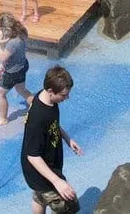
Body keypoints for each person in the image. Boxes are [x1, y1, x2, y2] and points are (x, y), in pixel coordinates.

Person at [21, 66, 83, 214]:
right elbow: (33, 156)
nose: (66, 98)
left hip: (43, 167)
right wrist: (57, 181)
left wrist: (67, 138)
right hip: (42, 170)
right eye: (63, 95)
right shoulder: (37, 119)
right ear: (50, 91)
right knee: (69, 205)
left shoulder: (46, 99)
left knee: (39, 197)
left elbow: (52, 123)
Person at [0, 12, 34, 127]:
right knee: (21, 89)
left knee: (0, 93)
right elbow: (11, 57)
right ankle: (36, 106)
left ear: (6, 29)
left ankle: (3, 119)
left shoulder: (12, 43)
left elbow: (2, 57)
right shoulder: (21, 32)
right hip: (22, 65)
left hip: (12, 72)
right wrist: (0, 68)